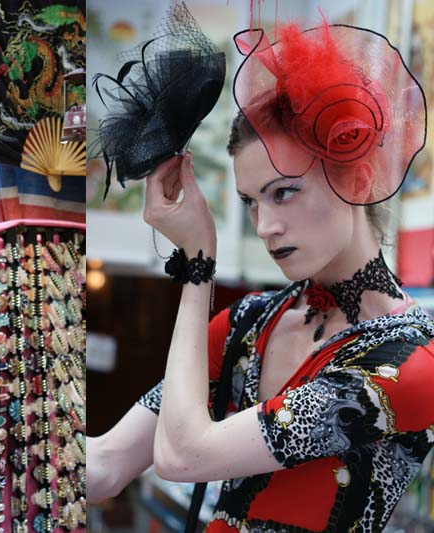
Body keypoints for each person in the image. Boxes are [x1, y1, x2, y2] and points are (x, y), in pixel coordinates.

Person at [89, 22, 434, 532]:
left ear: (357, 178)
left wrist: (197, 265)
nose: (266, 227)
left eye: (285, 192)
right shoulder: (250, 323)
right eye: (251, 202)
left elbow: (184, 457)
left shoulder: (410, 359)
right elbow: (103, 467)